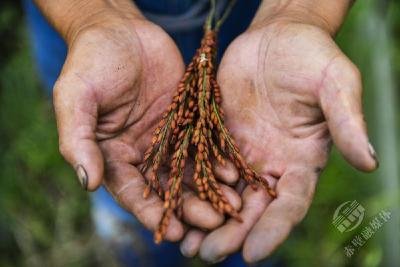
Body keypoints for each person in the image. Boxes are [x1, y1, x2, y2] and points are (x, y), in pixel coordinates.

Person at [25, 0, 378, 266]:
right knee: (125, 185)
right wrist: (91, 17)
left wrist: (299, 12)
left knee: (253, 224)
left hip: (255, 17)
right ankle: (136, 247)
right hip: (92, 26)